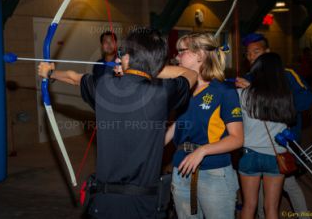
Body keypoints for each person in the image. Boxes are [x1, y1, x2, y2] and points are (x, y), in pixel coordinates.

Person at [38, 28, 198, 219]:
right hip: (145, 206)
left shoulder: (104, 86)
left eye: (122, 54)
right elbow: (190, 74)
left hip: (105, 205)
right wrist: (151, 69)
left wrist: (50, 72)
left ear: (128, 58)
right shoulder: (163, 93)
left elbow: (73, 77)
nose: (118, 58)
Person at [165, 33, 244, 219]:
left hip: (214, 172)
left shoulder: (223, 91)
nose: (176, 57)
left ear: (200, 55)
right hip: (181, 169)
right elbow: (179, 124)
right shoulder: (182, 90)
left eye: (181, 52)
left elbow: (237, 138)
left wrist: (202, 151)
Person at [236, 33, 312, 219]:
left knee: (250, 205)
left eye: (256, 52)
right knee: (271, 208)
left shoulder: (247, 90)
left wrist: (251, 92)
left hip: (261, 150)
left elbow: (305, 100)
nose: (252, 57)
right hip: (275, 152)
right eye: (248, 53)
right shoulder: (281, 93)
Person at [238, 52, 297, 219]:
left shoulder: (243, 94)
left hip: (249, 154)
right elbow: (292, 120)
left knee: (249, 206)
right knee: (271, 208)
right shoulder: (285, 96)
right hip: (276, 156)